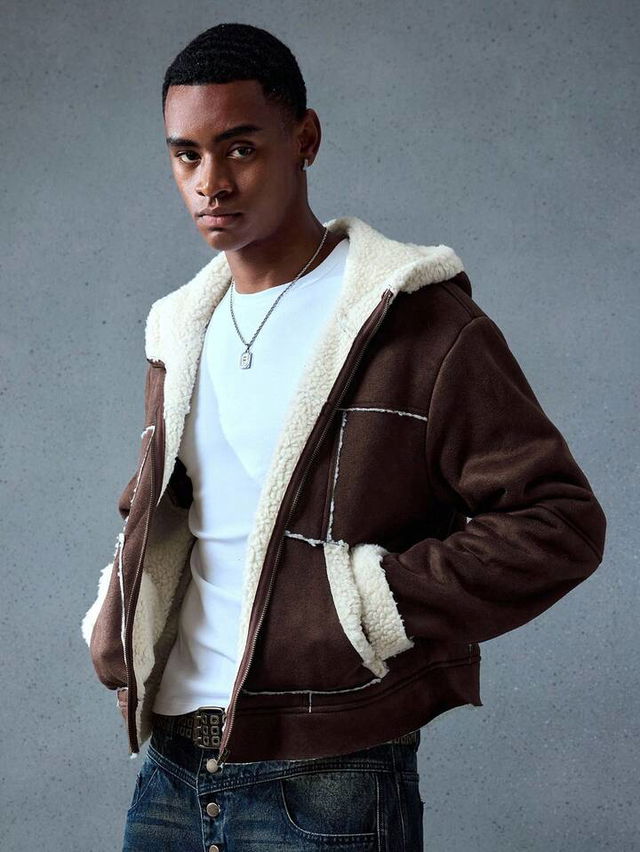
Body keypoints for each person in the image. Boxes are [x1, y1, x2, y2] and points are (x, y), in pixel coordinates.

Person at [80, 22, 607, 851]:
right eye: (187, 155)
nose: (211, 182)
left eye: (240, 148)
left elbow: (560, 522)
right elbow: (168, 506)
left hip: (329, 777)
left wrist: (366, 605)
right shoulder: (180, 328)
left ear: (305, 139)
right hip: (171, 769)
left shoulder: (414, 322)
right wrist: (117, 612)